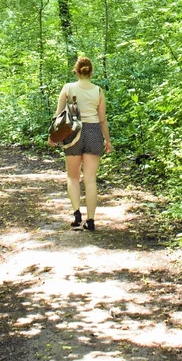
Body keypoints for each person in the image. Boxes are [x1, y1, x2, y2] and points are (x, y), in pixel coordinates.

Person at [48, 57, 113, 231]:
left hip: (72, 133)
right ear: (91, 72)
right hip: (93, 133)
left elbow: (58, 115)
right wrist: (107, 140)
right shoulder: (98, 91)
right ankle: (90, 220)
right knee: (90, 180)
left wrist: (53, 136)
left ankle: (77, 213)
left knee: (73, 177)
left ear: (76, 71)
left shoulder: (68, 88)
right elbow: (102, 120)